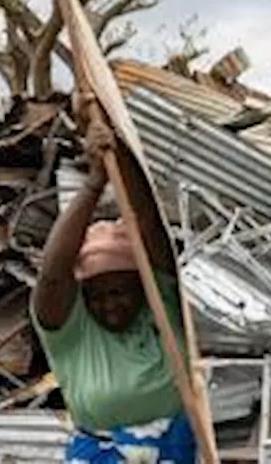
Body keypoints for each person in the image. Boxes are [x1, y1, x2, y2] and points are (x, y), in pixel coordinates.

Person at [31, 113, 195, 463]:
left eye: (119, 291)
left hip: (177, 449)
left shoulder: (161, 307)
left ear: (142, 286)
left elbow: (148, 221)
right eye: (96, 295)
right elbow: (52, 275)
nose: (108, 305)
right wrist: (94, 183)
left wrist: (119, 153)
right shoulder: (73, 334)